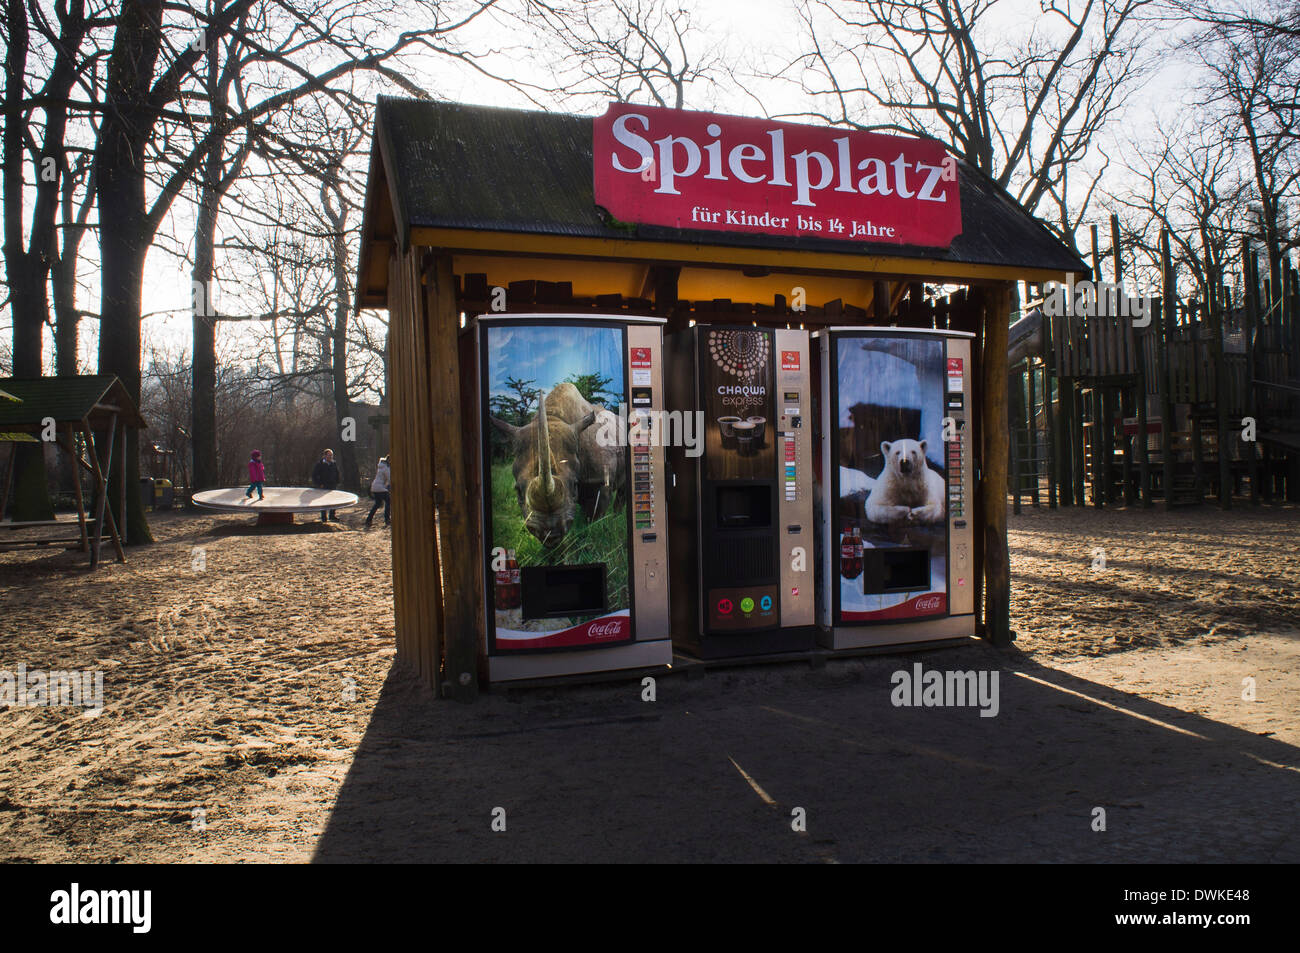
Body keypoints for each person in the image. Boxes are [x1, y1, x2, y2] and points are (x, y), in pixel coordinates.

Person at [311, 448, 341, 521]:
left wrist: (337, 481)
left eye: (331, 455)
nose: (330, 457)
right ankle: (324, 517)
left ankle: (332, 515)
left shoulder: (333, 463)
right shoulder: (320, 464)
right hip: (324, 485)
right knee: (323, 501)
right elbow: (314, 475)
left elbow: (337, 473)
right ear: (324, 456)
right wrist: (319, 484)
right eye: (329, 455)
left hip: (333, 485)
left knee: (333, 501)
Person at [366, 455, 391, 528]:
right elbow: (389, 478)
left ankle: (368, 520)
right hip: (380, 488)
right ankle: (387, 519)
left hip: (375, 487)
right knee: (388, 502)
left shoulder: (381, 466)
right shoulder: (386, 468)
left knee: (377, 504)